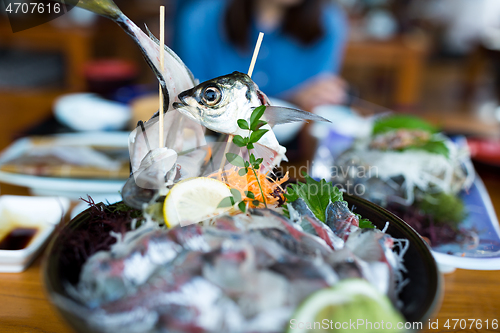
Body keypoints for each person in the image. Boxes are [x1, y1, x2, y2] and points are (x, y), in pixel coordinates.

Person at [173, 0, 348, 111]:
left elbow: (317, 107)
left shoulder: (328, 24)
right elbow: (187, 103)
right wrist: (292, 99)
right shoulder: (200, 20)